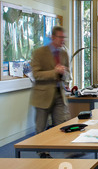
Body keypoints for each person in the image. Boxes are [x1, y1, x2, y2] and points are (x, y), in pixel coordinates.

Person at [30, 25, 71, 158]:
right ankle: (43, 153)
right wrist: (55, 72)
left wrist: (64, 73)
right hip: (43, 95)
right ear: (53, 37)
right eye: (60, 37)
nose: (62, 40)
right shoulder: (39, 53)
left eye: (64, 38)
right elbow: (36, 75)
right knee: (41, 127)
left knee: (63, 124)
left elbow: (68, 74)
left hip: (59, 95)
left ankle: (70, 151)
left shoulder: (64, 53)